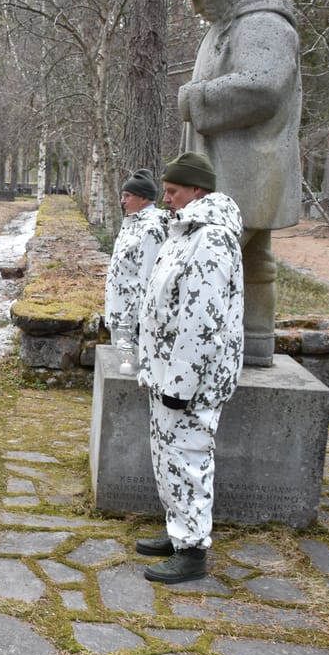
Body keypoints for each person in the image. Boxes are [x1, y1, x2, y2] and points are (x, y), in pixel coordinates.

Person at [176, 0, 301, 367]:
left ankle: (195, 351)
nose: (195, 8)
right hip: (227, 170)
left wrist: (193, 99)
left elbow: (262, 88)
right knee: (251, 260)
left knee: (205, 258)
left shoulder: (263, 25)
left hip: (248, 171)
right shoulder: (224, 28)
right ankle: (253, 342)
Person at [134, 152, 244, 583]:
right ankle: (178, 531)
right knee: (167, 456)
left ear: (198, 190)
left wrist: (180, 385)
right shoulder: (185, 232)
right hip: (167, 373)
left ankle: (193, 551)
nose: (166, 198)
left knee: (188, 459)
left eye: (173, 191)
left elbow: (202, 321)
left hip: (191, 381)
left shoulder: (212, 239)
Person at [104, 168, 167, 371]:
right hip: (120, 312)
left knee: (132, 372)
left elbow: (148, 278)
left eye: (127, 196)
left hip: (132, 320)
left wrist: (140, 322)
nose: (122, 201)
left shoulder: (151, 229)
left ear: (144, 198)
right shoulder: (132, 223)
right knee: (123, 370)